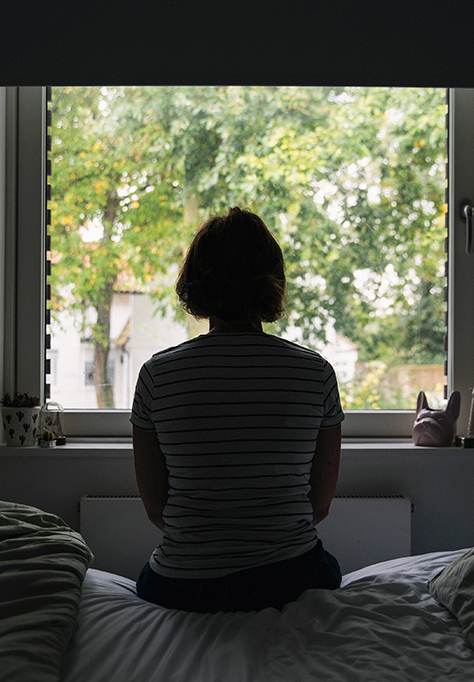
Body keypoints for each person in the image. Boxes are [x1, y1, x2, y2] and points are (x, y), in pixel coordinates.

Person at [130, 206, 344, 613]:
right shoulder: (316, 373)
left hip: (184, 584)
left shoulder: (157, 375)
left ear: (195, 281)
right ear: (273, 280)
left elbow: (156, 507)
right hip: (292, 578)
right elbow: (319, 505)